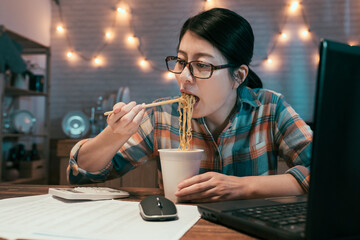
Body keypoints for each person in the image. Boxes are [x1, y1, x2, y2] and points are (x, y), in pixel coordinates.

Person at [67, 8, 312, 203]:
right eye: (181, 61)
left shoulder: (270, 108)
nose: (184, 76)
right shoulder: (162, 116)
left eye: (202, 65)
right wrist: (114, 134)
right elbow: (82, 174)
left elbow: (329, 173)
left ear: (238, 76)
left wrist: (241, 186)